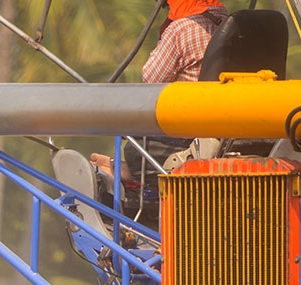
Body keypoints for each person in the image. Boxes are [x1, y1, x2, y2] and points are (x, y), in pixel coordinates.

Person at [90, 0, 229, 179]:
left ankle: (126, 171)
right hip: (229, 130)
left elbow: (151, 78)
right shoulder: (230, 24)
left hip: (193, 132)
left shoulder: (181, 29)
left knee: (135, 145)